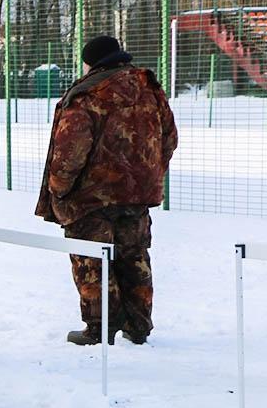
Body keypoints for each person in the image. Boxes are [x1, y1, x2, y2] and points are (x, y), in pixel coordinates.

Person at [35, 36, 177, 345]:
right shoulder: (150, 89)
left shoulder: (88, 94)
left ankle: (100, 329)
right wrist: (148, 174)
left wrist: (59, 189)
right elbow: (169, 138)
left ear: (90, 63)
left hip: (90, 198)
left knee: (92, 261)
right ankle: (138, 326)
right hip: (137, 195)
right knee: (134, 256)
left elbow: (70, 149)